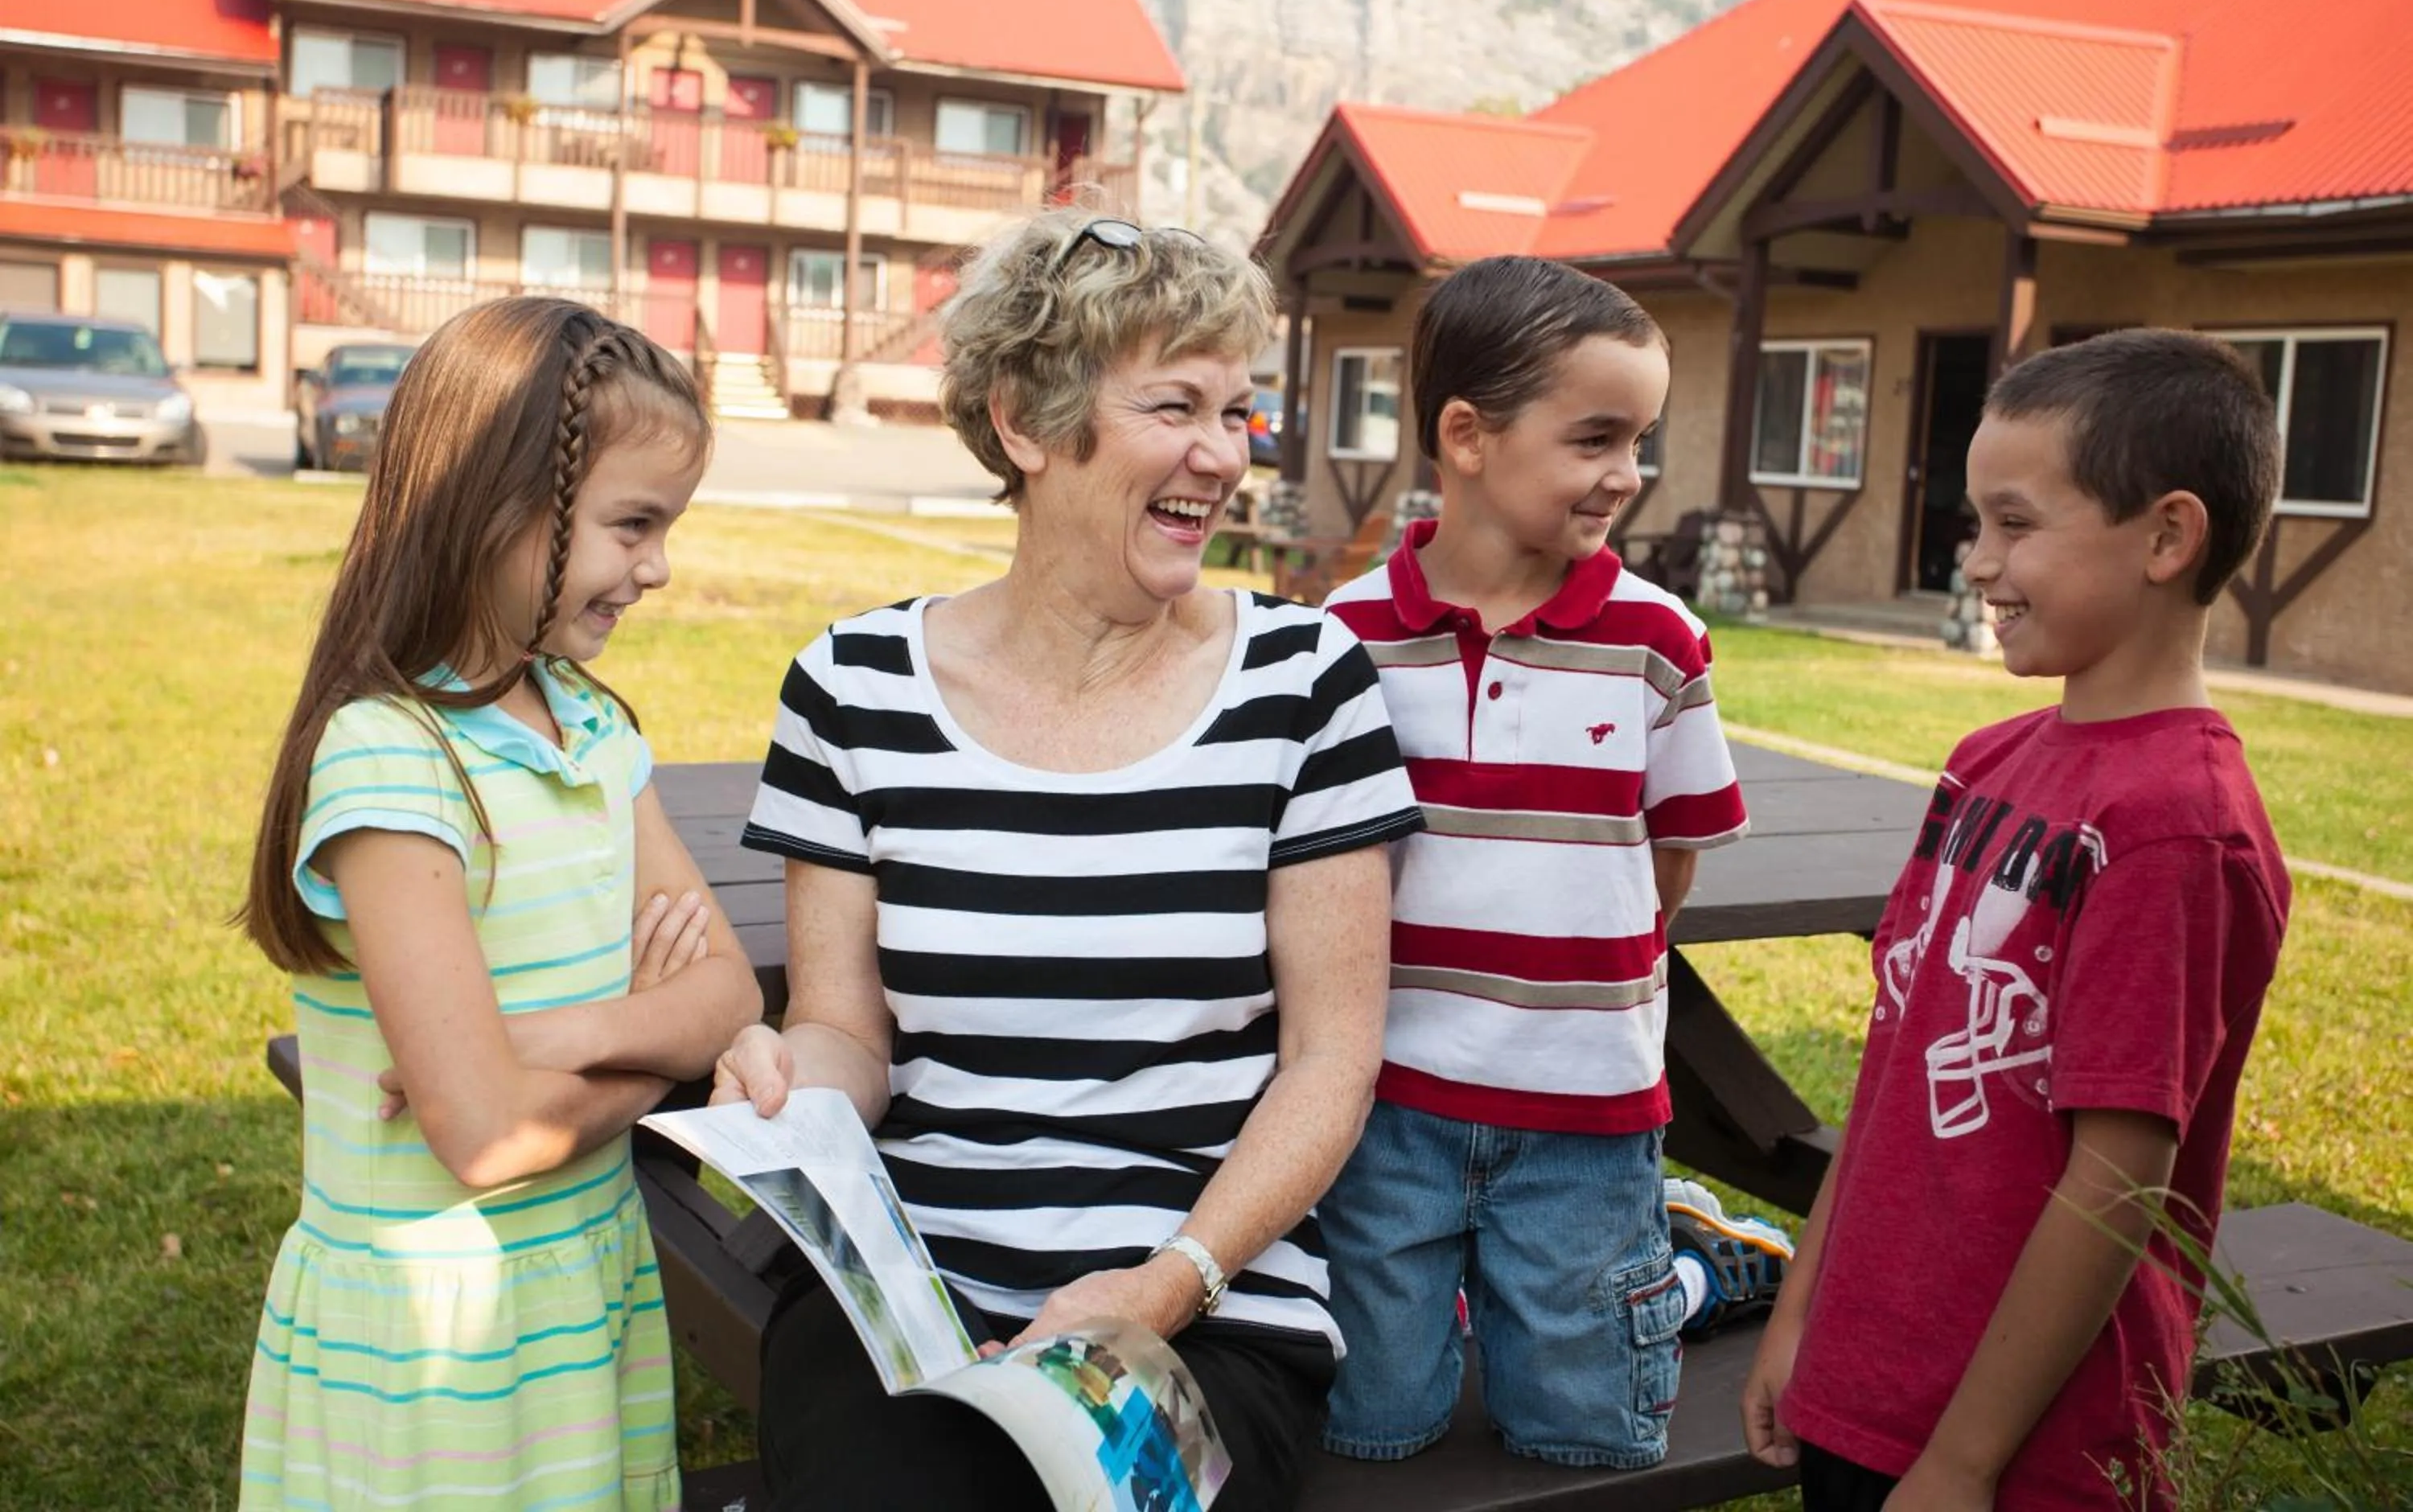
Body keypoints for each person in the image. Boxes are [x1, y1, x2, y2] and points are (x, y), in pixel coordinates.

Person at [714, 209, 1428, 1511]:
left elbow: (1335, 1058)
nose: (1223, 457)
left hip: (1205, 1304)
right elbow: (844, 1032)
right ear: (1027, 423)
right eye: (1177, 407)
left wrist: (1159, 1291)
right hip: (917, 1296)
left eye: (1239, 411)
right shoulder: (852, 690)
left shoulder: (1303, 683)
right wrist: (784, 1085)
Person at [1742, 329, 2293, 1510]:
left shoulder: (2176, 828)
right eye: (1975, 523)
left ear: (2167, 536)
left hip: (2024, 1454)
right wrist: (1802, 1315)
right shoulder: (1985, 765)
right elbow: (1895, 1068)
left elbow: (2118, 1179)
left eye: (2016, 524)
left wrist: (1964, 1461)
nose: (1978, 563)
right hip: (1866, 1387)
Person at [236, 298, 764, 1510]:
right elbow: (478, 1137)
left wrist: (541, 1040)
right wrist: (653, 1051)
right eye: (633, 524)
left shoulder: (589, 729)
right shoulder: (390, 761)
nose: (660, 566)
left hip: (584, 1291)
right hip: (434, 1344)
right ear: (497, 507)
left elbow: (727, 992)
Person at [1318, 255, 1786, 1471]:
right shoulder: (1345, 639)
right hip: (1387, 1110)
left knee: (1579, 1432)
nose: (1626, 477)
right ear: (1467, 435)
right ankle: (1516, 1281)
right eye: (1595, 440)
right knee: (1374, 1424)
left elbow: (1670, 860)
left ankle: (1682, 1264)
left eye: (1640, 441)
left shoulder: (1655, 639)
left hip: (1585, 1112)